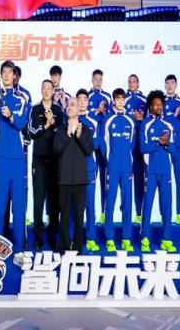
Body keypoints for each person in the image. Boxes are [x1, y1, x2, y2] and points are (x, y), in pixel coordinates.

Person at [0, 61, 29, 267]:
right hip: (1, 158)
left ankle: (19, 250)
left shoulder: (23, 98)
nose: (6, 75)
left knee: (19, 207)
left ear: (15, 76)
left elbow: (21, 123)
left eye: (9, 72)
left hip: (18, 159)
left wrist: (11, 116)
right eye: (3, 72)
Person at [54, 97, 94, 254]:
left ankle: (77, 248)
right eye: (68, 105)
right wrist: (68, 134)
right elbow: (56, 149)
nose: (70, 107)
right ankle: (64, 247)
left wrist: (79, 136)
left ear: (79, 109)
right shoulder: (60, 130)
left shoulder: (86, 129)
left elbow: (89, 150)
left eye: (73, 105)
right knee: (63, 216)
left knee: (78, 216)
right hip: (64, 180)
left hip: (80, 180)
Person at [28, 79, 63, 250]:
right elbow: (31, 132)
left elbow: (63, 132)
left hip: (55, 160)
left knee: (54, 200)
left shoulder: (58, 110)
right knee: (39, 199)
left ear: (53, 90)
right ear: (41, 90)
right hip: (39, 160)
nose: (47, 91)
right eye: (44, 88)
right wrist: (46, 124)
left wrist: (53, 122)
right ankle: (38, 236)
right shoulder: (35, 109)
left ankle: (53, 235)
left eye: (50, 88)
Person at [140, 90, 177, 253]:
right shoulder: (146, 124)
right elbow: (142, 148)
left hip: (165, 171)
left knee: (166, 205)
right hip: (150, 171)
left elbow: (174, 150)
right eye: (155, 104)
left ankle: (166, 239)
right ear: (150, 107)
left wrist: (167, 143)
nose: (158, 107)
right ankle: (145, 238)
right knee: (147, 204)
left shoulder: (169, 125)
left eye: (160, 104)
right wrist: (158, 143)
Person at [101, 88, 135, 253]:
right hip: (113, 167)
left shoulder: (130, 121)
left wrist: (129, 161)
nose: (120, 102)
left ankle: (126, 238)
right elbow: (103, 143)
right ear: (113, 101)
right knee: (110, 202)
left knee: (127, 202)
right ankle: (109, 239)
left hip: (127, 167)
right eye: (117, 99)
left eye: (122, 99)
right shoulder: (108, 120)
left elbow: (132, 144)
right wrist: (110, 161)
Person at [164, 74, 180, 225]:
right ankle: (166, 215)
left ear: (176, 85)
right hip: (165, 146)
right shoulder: (161, 102)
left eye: (172, 83)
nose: (169, 86)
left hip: (179, 146)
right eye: (167, 83)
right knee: (165, 181)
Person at [87, 69, 112, 224]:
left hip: (104, 142)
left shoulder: (107, 97)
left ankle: (104, 213)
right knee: (90, 179)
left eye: (100, 80)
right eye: (95, 79)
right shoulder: (86, 96)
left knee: (105, 178)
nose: (98, 82)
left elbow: (111, 117)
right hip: (91, 141)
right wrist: (97, 111)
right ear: (92, 80)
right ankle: (90, 216)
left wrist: (105, 111)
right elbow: (85, 116)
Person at [77, 88, 100, 252]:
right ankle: (74, 238)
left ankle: (91, 238)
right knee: (73, 206)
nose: (82, 101)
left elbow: (95, 145)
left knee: (90, 205)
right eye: (79, 99)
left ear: (88, 102)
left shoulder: (94, 122)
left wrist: (81, 141)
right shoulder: (70, 120)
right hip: (72, 170)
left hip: (89, 168)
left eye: (85, 99)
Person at [125, 74, 147, 224]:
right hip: (126, 145)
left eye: (134, 81)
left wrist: (141, 119)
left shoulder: (144, 100)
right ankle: (124, 214)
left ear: (138, 84)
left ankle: (139, 213)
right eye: (130, 81)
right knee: (124, 179)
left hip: (140, 145)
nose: (132, 83)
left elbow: (150, 120)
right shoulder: (122, 99)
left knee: (139, 179)